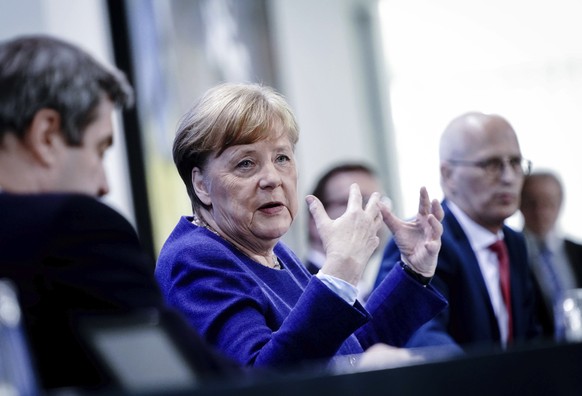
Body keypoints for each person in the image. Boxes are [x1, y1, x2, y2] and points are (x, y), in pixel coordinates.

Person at [155, 81, 448, 371]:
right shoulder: (196, 258)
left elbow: (348, 351)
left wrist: (413, 271)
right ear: (201, 184)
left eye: (282, 158)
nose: (272, 178)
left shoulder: (275, 254)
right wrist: (340, 270)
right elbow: (262, 381)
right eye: (246, 163)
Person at [0, 35, 237, 392]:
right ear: (46, 135)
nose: (104, 184)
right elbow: (186, 381)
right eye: (99, 150)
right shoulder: (72, 229)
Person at [375, 111, 541, 353]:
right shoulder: (423, 242)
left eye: (515, 163)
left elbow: (530, 337)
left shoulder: (515, 243)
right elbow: (419, 336)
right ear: (448, 175)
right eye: (491, 164)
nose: (508, 177)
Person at [305, 162, 391, 302]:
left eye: (379, 202)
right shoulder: (299, 292)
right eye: (356, 202)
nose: (372, 212)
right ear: (315, 219)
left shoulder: (370, 291)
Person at [520, 170, 582, 337]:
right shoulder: (511, 255)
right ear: (519, 204)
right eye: (531, 203)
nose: (540, 211)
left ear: (560, 204)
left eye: (548, 203)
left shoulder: (578, 252)